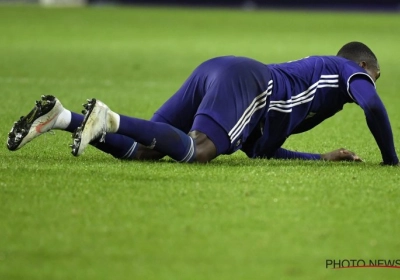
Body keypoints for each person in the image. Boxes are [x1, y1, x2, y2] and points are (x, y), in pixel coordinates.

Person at [6, 42, 399, 165]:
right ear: (363, 66)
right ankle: (109, 118)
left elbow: (263, 151)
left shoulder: (313, 95)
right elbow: (376, 109)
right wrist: (391, 163)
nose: (369, 87)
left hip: (220, 69)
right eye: (372, 78)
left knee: (143, 153)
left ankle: (62, 117)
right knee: (199, 151)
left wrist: (319, 158)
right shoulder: (347, 71)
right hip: (250, 79)